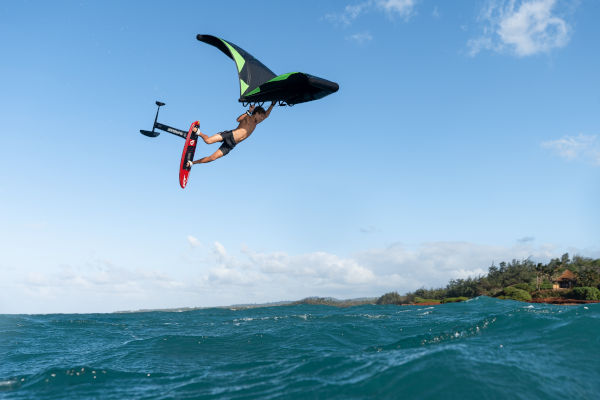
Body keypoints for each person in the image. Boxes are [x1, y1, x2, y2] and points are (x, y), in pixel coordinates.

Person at [187, 102, 276, 167]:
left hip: (232, 144)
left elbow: (267, 115)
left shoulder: (256, 123)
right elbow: (238, 119)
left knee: (212, 158)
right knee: (208, 141)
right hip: (229, 135)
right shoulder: (247, 117)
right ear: (257, 113)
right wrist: (248, 111)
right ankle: (199, 132)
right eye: (261, 116)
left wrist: (272, 104)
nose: (262, 118)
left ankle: (192, 163)